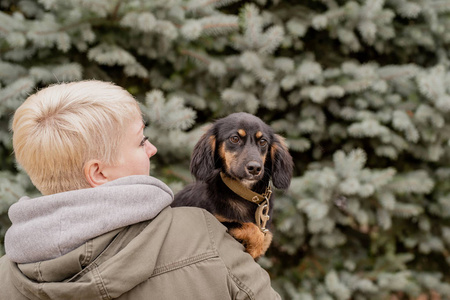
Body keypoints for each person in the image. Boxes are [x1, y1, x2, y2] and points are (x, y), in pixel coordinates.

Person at [0, 80, 281, 300]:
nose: (152, 148)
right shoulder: (206, 236)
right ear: (98, 172)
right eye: (140, 141)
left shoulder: (4, 277)